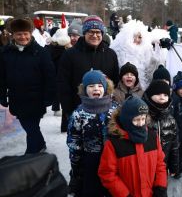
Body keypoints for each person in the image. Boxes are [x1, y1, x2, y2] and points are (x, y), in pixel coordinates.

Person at [0, 18, 56, 154]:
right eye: (19, 34)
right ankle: (41, 144)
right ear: (12, 35)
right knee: (30, 126)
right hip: (17, 97)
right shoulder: (5, 53)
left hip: (36, 98)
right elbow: (1, 77)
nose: (23, 37)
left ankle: (31, 153)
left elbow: (50, 76)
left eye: (26, 33)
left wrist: (49, 96)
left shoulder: (40, 52)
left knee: (31, 126)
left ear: (30, 33)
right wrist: (2, 96)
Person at [57, 15, 119, 133]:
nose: (95, 35)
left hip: (105, 110)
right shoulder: (70, 55)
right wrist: (68, 109)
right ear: (84, 33)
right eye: (91, 31)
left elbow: (115, 81)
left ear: (102, 33)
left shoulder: (110, 54)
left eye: (98, 32)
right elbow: (63, 83)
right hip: (78, 109)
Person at [98, 96, 167, 197]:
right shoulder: (114, 143)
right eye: (136, 120)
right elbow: (107, 174)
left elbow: (160, 165)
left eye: (143, 119)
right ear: (126, 120)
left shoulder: (152, 137)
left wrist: (160, 188)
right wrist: (124, 194)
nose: (140, 124)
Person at [67, 70, 117, 197]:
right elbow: (74, 140)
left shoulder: (115, 109)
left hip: (113, 159)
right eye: (91, 86)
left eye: (100, 86)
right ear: (84, 89)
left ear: (105, 88)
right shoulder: (79, 114)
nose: (96, 89)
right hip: (90, 160)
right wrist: (76, 164)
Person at [110, 20, 163, 89]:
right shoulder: (120, 51)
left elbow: (149, 73)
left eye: (140, 37)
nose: (137, 40)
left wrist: (154, 61)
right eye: (133, 37)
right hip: (122, 89)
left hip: (140, 89)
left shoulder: (146, 50)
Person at [142, 80, 180, 177]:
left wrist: (174, 166)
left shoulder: (171, 120)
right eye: (158, 93)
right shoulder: (142, 117)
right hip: (143, 167)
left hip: (162, 167)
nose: (162, 97)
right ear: (150, 95)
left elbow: (174, 146)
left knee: (161, 189)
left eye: (165, 95)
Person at [48, 28, 72, 118]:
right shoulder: (66, 49)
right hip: (59, 72)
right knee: (59, 91)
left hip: (55, 72)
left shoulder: (51, 47)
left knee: (57, 91)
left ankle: (56, 108)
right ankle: (57, 108)